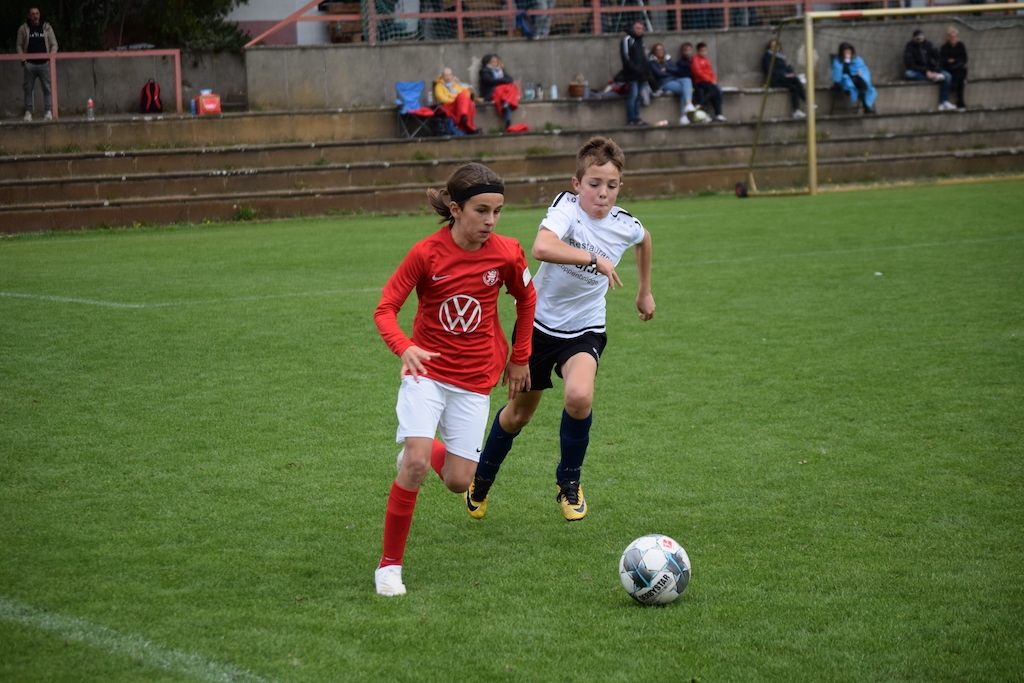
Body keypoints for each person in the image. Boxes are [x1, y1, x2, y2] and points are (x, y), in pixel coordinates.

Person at [465, 136, 655, 523]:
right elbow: (541, 247)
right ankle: (481, 479)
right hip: (537, 326)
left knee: (579, 396)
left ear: (620, 187)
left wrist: (644, 291)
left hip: (585, 328)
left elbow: (644, 239)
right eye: (594, 184)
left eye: (611, 186)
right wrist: (594, 259)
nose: (602, 193)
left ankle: (569, 482)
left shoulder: (625, 224)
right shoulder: (566, 207)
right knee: (518, 416)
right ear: (576, 183)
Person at [373, 163, 537, 596]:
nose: (490, 220)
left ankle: (421, 449)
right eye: (481, 210)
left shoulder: (507, 253)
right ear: (455, 208)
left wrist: (520, 358)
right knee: (415, 466)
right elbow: (385, 309)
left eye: (497, 211)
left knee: (459, 481)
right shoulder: (426, 253)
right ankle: (389, 566)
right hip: (425, 372)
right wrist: (404, 346)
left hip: (475, 379)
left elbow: (526, 298)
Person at [16, 7, 58, 121]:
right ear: (29, 16)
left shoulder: (47, 27)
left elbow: (54, 44)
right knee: (28, 89)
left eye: (37, 13)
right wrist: (23, 60)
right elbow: (19, 45)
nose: (35, 16)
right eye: (33, 14)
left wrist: (50, 58)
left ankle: (48, 112)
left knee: (47, 88)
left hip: (44, 63)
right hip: (30, 64)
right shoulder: (23, 28)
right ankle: (28, 112)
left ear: (40, 15)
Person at [904, 29, 954, 111]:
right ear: (914, 39)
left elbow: (938, 57)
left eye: (921, 38)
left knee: (948, 76)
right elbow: (910, 64)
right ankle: (933, 78)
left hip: (931, 70)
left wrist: (935, 71)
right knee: (908, 73)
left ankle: (944, 101)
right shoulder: (910, 47)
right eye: (917, 39)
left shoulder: (928, 44)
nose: (920, 40)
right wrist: (925, 72)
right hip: (919, 71)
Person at [619, 21, 656, 127]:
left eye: (642, 29)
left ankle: (637, 118)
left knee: (639, 96)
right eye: (638, 28)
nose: (640, 31)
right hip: (632, 74)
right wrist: (635, 68)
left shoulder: (641, 41)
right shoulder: (627, 40)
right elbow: (626, 57)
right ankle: (631, 118)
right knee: (633, 95)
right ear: (632, 28)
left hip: (642, 74)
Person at [649, 42, 695, 126]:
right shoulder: (652, 62)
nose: (660, 51)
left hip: (674, 79)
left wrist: (666, 69)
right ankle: (683, 115)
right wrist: (669, 71)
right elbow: (659, 74)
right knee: (685, 90)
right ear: (654, 52)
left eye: (661, 49)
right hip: (664, 83)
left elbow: (676, 70)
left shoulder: (667, 59)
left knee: (687, 80)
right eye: (658, 50)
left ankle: (688, 104)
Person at [762, 38, 808, 119]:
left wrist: (791, 73)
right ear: (770, 47)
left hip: (783, 79)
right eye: (773, 46)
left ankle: (796, 111)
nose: (776, 48)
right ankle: (806, 101)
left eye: (777, 46)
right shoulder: (767, 57)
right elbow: (770, 70)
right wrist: (784, 75)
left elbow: (786, 68)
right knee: (795, 80)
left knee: (794, 87)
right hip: (775, 80)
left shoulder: (780, 56)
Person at [831, 41, 877, 114]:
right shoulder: (837, 60)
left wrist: (861, 72)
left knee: (864, 84)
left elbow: (863, 68)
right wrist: (845, 63)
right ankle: (866, 106)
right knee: (858, 85)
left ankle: (866, 106)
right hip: (845, 80)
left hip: (857, 79)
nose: (848, 53)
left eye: (849, 51)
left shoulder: (856, 59)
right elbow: (838, 73)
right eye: (846, 51)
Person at [479, 54, 520, 130]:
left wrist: (502, 80)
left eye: (496, 61)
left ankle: (508, 119)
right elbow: (489, 81)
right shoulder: (484, 71)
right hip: (492, 92)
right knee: (508, 91)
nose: (495, 63)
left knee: (510, 89)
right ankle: (507, 105)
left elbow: (510, 79)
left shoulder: (501, 70)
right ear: (488, 62)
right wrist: (502, 80)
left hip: (502, 93)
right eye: (493, 61)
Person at [434, 67, 479, 134]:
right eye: (446, 75)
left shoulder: (455, 84)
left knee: (467, 101)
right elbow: (442, 98)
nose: (448, 77)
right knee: (463, 100)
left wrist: (459, 83)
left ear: (452, 76)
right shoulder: (439, 86)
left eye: (450, 75)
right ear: (442, 77)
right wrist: (455, 99)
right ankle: (469, 126)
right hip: (447, 105)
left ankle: (464, 117)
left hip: (458, 104)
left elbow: (463, 95)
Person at [691, 42, 726, 122]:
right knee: (712, 91)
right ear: (698, 51)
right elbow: (698, 72)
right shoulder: (695, 59)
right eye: (702, 51)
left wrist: (714, 79)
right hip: (700, 81)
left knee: (718, 91)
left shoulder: (706, 60)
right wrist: (710, 80)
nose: (704, 53)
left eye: (705, 51)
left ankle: (718, 113)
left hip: (709, 81)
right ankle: (701, 104)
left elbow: (711, 72)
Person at [940, 27, 968, 110]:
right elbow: (944, 61)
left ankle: (959, 100)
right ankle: (960, 102)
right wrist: (952, 61)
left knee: (961, 71)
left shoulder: (961, 46)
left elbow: (964, 59)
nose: (953, 39)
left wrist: (954, 60)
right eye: (951, 37)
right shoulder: (945, 47)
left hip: (959, 68)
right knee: (960, 78)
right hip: (950, 69)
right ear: (948, 38)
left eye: (955, 37)